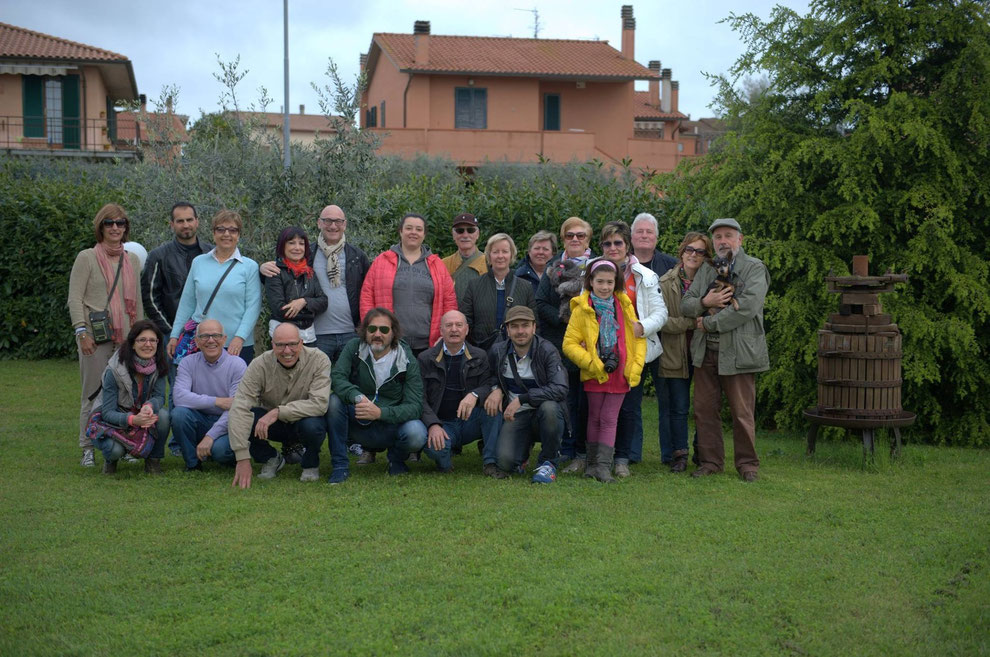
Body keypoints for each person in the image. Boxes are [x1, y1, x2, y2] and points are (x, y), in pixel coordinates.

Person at [681, 218, 770, 482]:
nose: (722, 241)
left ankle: (747, 465)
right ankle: (710, 462)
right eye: (718, 236)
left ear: (740, 239)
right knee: (704, 409)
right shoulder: (708, 269)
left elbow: (747, 309)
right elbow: (686, 305)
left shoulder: (754, 268)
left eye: (728, 235)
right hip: (705, 352)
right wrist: (704, 301)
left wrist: (708, 323)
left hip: (739, 352)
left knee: (742, 412)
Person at [68, 203, 144, 467]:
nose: (115, 228)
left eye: (120, 223)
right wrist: (81, 332)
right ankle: (87, 447)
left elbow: (138, 301)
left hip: (125, 338)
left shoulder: (132, 259)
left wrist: (141, 337)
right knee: (92, 392)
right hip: (94, 337)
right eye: (109, 223)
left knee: (126, 391)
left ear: (126, 228)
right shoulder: (86, 257)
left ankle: (126, 445)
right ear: (100, 227)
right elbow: (75, 298)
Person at [563, 260, 646, 482]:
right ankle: (591, 465)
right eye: (600, 281)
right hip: (595, 371)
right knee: (594, 417)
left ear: (616, 283)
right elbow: (569, 343)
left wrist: (635, 366)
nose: (605, 286)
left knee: (609, 418)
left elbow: (638, 340)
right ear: (590, 281)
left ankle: (602, 467)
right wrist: (591, 363)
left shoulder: (625, 305)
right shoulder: (581, 309)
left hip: (620, 372)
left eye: (610, 282)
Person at [599, 221, 668, 476]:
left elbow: (661, 313)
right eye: (608, 243)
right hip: (600, 350)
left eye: (618, 243)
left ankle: (624, 458)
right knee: (599, 404)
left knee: (628, 406)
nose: (613, 247)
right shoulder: (591, 270)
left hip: (633, 351)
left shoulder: (645, 275)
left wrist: (642, 326)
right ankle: (599, 456)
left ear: (627, 245)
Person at [260, 205, 370, 363]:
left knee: (347, 382)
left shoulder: (357, 256)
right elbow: (284, 274)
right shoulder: (307, 254)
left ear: (345, 224)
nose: (333, 226)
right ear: (319, 223)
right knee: (315, 382)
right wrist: (262, 270)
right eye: (328, 221)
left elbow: (367, 291)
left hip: (350, 333)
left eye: (338, 221)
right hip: (315, 333)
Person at [229, 323, 333, 488]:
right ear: (272, 344)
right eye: (280, 345)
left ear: (301, 343)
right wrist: (242, 457)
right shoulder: (259, 364)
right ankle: (270, 457)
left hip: (303, 421)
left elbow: (319, 404)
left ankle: (310, 463)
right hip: (272, 425)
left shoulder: (319, 359)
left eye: (292, 344)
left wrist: (278, 412)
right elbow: (240, 405)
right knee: (245, 416)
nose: (287, 351)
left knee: (314, 425)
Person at [327, 308, 428, 477]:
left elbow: (415, 407)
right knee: (333, 402)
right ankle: (339, 466)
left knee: (416, 433)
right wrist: (357, 397)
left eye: (384, 329)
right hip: (359, 417)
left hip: (390, 423)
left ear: (394, 333)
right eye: (372, 329)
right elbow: (337, 377)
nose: (377, 334)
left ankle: (396, 461)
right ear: (365, 331)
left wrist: (380, 413)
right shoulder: (354, 347)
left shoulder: (406, 358)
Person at [535, 216, 594, 472]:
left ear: (588, 240)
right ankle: (565, 448)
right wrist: (566, 319)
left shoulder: (597, 268)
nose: (575, 240)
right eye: (570, 235)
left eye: (580, 235)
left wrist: (581, 325)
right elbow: (540, 304)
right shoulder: (552, 268)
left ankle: (584, 450)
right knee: (563, 401)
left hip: (589, 346)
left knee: (586, 402)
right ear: (563, 239)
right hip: (558, 345)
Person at [485, 306, 567, 483]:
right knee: (505, 463)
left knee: (550, 409)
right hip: (516, 415)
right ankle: (522, 454)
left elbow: (560, 388)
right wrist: (496, 389)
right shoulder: (498, 351)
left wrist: (524, 398)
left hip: (542, 413)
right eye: (514, 326)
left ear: (534, 327)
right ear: (507, 330)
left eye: (525, 325)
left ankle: (549, 462)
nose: (520, 331)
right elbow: (491, 375)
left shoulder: (547, 350)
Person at [168, 210, 262, 365]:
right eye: (221, 229)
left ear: (238, 235)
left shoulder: (249, 266)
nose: (227, 234)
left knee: (236, 389)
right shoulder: (199, 262)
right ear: (213, 233)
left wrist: (240, 337)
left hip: (236, 344)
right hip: (203, 342)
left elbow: (253, 306)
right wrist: (174, 335)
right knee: (199, 387)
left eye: (232, 230)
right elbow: (187, 303)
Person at [360, 213, 457, 357]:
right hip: (390, 342)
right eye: (409, 228)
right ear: (401, 231)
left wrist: (446, 333)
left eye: (418, 229)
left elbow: (449, 302)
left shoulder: (437, 265)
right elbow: (367, 297)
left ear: (424, 234)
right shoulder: (382, 261)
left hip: (429, 345)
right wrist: (372, 330)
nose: (413, 232)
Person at [418, 310, 501, 474]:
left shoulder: (480, 355)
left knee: (493, 409)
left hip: (469, 421)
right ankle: (444, 463)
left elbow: (487, 384)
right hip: (442, 423)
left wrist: (474, 394)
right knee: (435, 447)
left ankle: (491, 463)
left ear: (467, 329)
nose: (454, 329)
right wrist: (433, 424)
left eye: (459, 325)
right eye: (449, 325)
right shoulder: (425, 358)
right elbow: (419, 398)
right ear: (441, 330)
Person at [657, 232, 712, 472]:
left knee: (704, 406)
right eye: (689, 249)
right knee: (678, 407)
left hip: (704, 351)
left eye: (700, 251)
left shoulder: (714, 281)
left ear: (706, 257)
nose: (693, 255)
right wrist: (691, 323)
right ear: (681, 252)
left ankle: (703, 452)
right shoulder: (665, 282)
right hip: (674, 352)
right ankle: (679, 455)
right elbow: (661, 321)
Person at [86, 320, 169, 474]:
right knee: (116, 450)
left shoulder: (159, 365)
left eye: (153, 340)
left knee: (163, 415)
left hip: (141, 414)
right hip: (111, 420)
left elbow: (159, 397)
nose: (148, 344)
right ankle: (111, 460)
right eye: (142, 340)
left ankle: (153, 462)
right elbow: (107, 413)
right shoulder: (114, 370)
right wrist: (133, 419)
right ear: (132, 343)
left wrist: (149, 406)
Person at [170, 319, 246, 470]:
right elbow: (178, 397)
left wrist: (210, 436)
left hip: (229, 423)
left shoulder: (237, 364)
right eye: (204, 336)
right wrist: (216, 401)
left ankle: (224, 454)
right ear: (197, 341)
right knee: (179, 414)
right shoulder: (187, 363)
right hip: (200, 419)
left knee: (220, 452)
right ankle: (193, 464)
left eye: (216, 335)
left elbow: (235, 408)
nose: (211, 340)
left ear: (224, 339)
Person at [141, 201, 211, 337]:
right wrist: (171, 331)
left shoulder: (212, 253)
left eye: (189, 220)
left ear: (197, 222)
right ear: (172, 225)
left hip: (210, 334)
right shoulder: (158, 256)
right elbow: (149, 298)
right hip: (173, 334)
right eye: (180, 221)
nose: (186, 225)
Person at [461, 233, 536, 351]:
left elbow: (534, 321)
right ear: (489, 255)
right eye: (495, 252)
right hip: (481, 351)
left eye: (505, 251)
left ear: (511, 255)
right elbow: (466, 321)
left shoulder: (525, 286)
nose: (500, 256)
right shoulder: (474, 285)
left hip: (516, 352)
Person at [264, 226, 328, 347]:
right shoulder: (274, 271)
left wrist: (304, 302)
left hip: (308, 337)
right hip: (282, 338)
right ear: (282, 246)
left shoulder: (310, 272)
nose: (297, 248)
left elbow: (324, 302)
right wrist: (310, 312)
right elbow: (280, 309)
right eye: (291, 243)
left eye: (301, 244)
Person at [441, 212, 487, 304]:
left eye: (470, 230)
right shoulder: (443, 264)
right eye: (460, 231)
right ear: (453, 235)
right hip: (453, 316)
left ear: (477, 234)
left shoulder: (489, 263)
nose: (465, 235)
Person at [630, 212, 679, 277]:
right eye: (640, 231)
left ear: (656, 237)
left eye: (649, 232)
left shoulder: (673, 266)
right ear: (631, 237)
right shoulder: (621, 265)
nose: (644, 236)